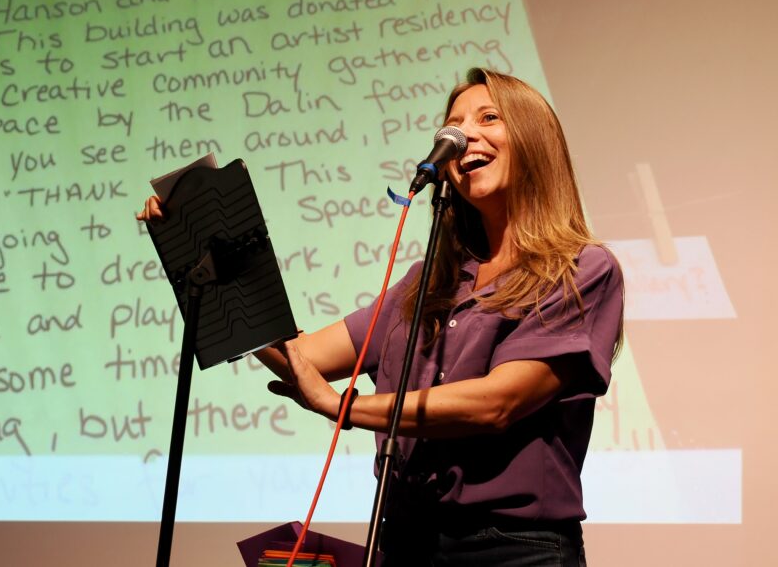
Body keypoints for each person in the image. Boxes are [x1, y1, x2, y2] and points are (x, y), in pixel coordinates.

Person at [138, 68, 623, 566]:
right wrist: (201, 255)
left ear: (535, 141)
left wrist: (342, 407)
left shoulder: (579, 270)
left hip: (513, 551)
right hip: (404, 542)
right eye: (452, 124)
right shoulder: (427, 280)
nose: (461, 135)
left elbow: (496, 404)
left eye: (489, 118)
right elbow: (301, 359)